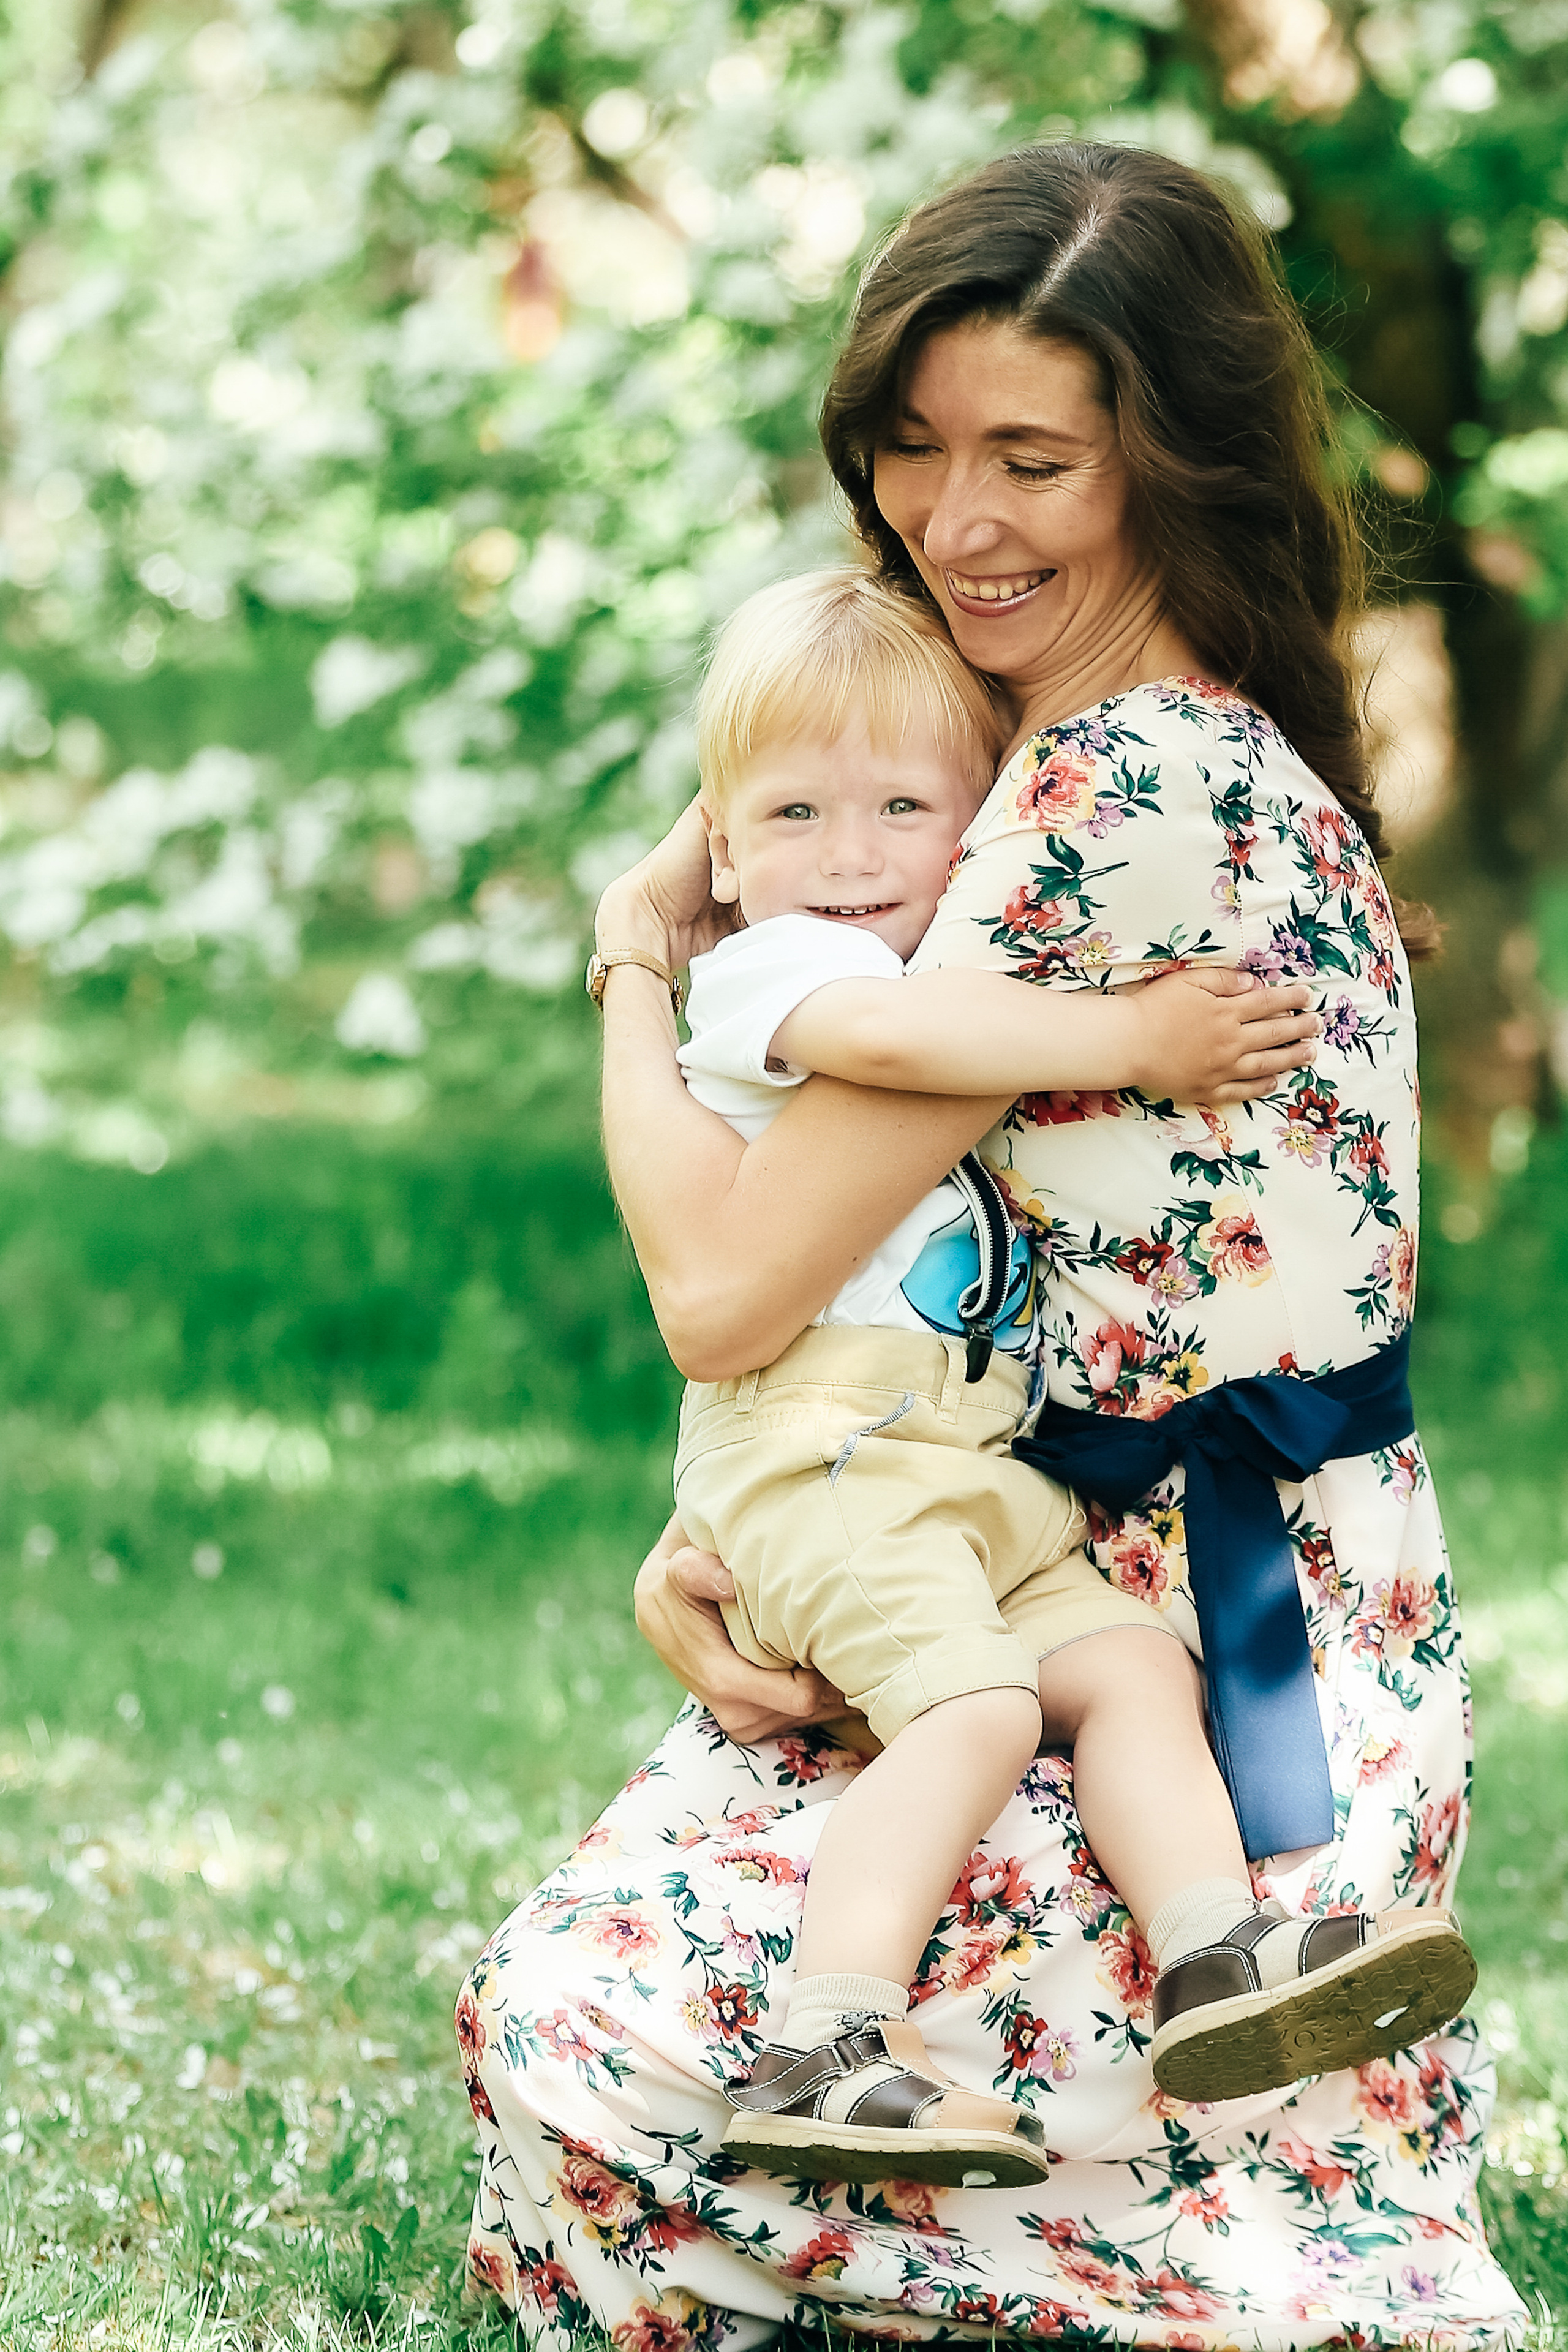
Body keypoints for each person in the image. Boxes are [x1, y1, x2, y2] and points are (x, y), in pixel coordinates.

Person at [459, 141, 1526, 2349]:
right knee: (633, 2020)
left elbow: (722, 1292)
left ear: (1172, 459)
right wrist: (729, 1539)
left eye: (1035, 458)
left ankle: (1242, 2225)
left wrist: (636, 970)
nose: (955, 523)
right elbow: (824, 806)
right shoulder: (1115, 746)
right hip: (1069, 1552)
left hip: (1190, 1648)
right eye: (913, 451)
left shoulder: (1094, 817)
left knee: (592, 2060)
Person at [653, 560, 1469, 2190]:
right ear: (726, 852)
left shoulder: (985, 897)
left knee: (1126, 1672)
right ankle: (831, 2038)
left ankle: (1217, 1957)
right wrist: (1133, 1040)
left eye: (901, 807)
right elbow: (894, 1046)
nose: (854, 854)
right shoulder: (776, 973)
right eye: (796, 816)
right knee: (977, 1706)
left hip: (964, 1466)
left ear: (975, 823)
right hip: (825, 1456)